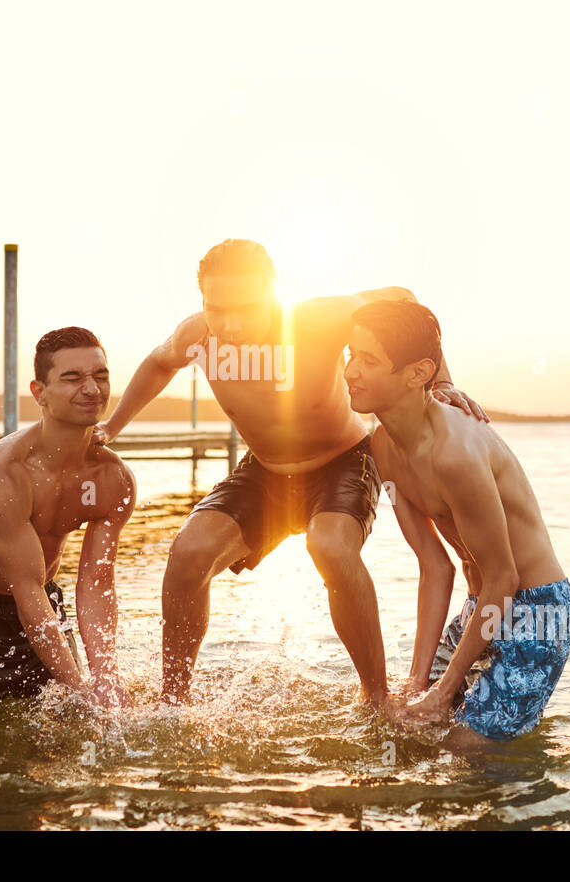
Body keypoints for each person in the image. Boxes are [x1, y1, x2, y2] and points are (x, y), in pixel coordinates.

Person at [96, 239, 487, 707]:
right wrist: (113, 426)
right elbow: (159, 362)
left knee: (329, 544)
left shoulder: (316, 321)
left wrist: (441, 382)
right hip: (266, 472)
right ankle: (173, 702)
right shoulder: (197, 336)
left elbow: (404, 302)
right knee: (187, 553)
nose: (232, 322)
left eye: (247, 307)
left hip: (343, 462)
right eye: (218, 308)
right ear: (203, 302)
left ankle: (377, 699)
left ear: (274, 294)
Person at [344, 299, 570, 742]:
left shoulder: (457, 455)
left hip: (538, 610)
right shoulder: (384, 447)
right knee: (400, 727)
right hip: (482, 606)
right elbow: (435, 567)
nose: (351, 371)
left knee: (462, 750)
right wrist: (418, 683)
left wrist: (444, 690)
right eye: (350, 355)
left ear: (417, 373)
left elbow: (504, 577)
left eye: (368, 360)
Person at [0, 326, 136, 714]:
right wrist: (77, 687)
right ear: (39, 393)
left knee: (70, 725)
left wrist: (105, 676)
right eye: (72, 378)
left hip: (44, 600)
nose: (91, 389)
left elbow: (96, 581)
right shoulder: (3, 474)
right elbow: (26, 588)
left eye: (100, 376)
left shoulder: (112, 479)